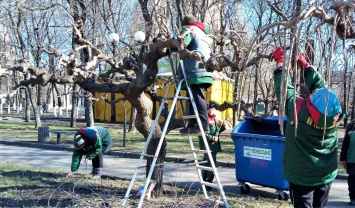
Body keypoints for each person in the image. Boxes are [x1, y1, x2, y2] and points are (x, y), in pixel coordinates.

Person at [272, 47, 343, 208]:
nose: (313, 92)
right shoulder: (336, 114)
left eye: (313, 95)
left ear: (312, 106)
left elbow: (284, 91)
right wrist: (306, 66)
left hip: (301, 177)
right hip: (325, 175)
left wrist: (280, 64)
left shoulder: (298, 111)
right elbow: (324, 91)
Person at [177, 14, 213, 134]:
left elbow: (182, 43)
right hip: (204, 69)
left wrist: (171, 45)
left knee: (197, 98)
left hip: (195, 70)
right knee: (192, 97)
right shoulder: (203, 33)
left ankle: (203, 124)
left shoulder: (188, 30)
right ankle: (192, 124)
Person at [198, 107, 226, 191]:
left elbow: (217, 131)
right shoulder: (204, 120)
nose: (213, 111)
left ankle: (205, 183)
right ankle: (208, 183)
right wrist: (211, 137)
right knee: (211, 165)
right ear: (206, 110)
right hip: (207, 145)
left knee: (207, 164)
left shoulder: (214, 119)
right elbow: (201, 132)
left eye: (214, 109)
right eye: (211, 109)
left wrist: (222, 126)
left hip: (213, 146)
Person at [340, 120, 355, 205]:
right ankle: (353, 198)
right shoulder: (351, 126)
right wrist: (342, 158)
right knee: (353, 180)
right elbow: (345, 144)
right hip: (352, 160)